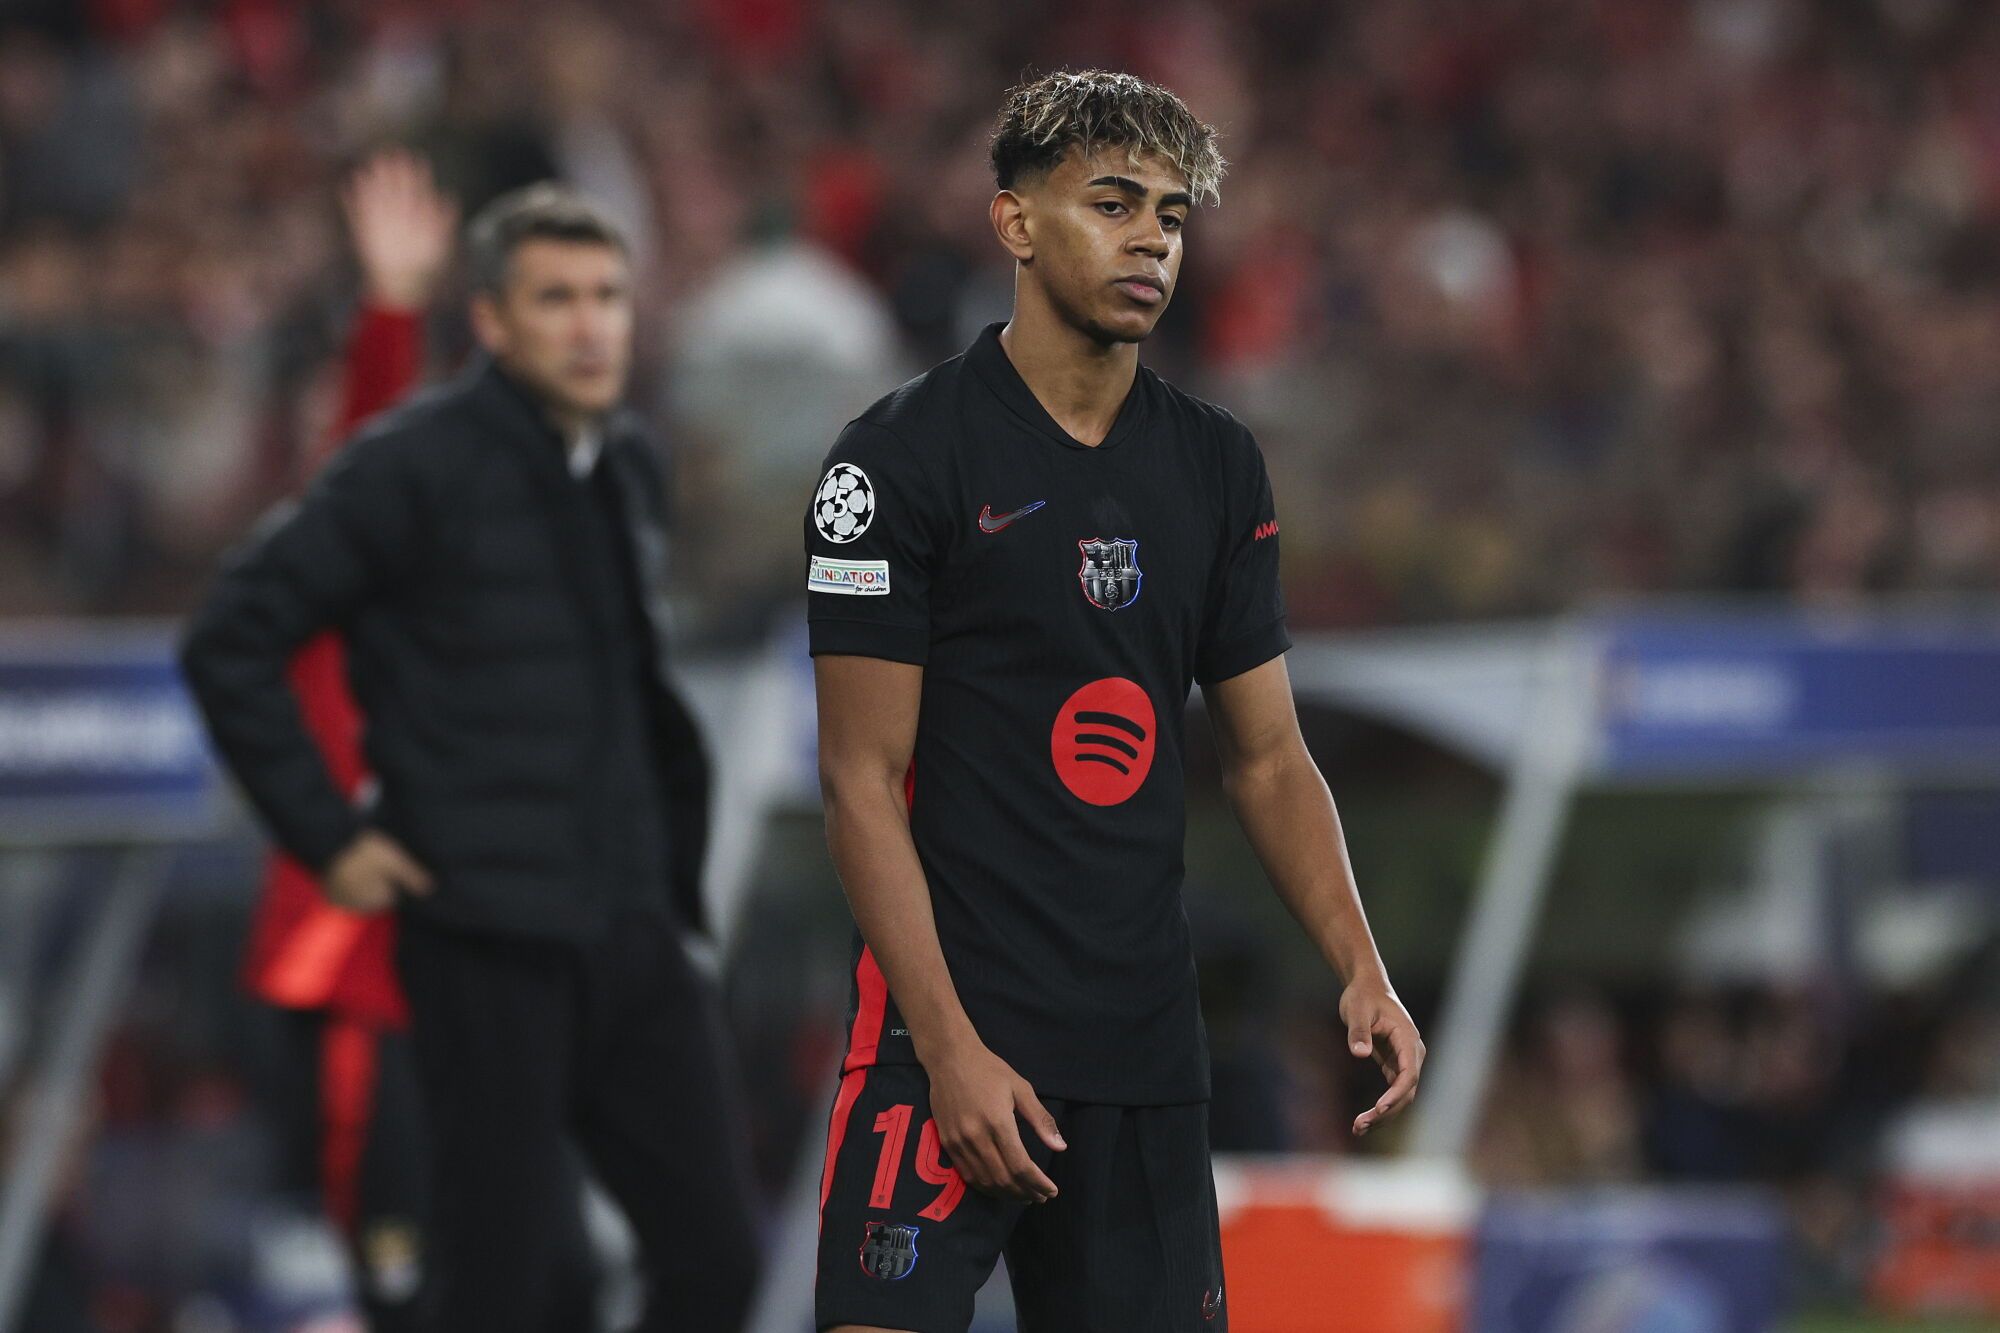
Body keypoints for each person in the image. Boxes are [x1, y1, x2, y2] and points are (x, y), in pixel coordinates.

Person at [806, 70, 1425, 1333]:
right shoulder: (894, 461)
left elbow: (1265, 758)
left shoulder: (1213, 464)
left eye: (1172, 213)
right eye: (1111, 202)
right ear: (1015, 222)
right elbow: (858, 781)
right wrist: (950, 1052)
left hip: (1142, 1063)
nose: (1151, 236)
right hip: (943, 1051)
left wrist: (1359, 963)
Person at [181, 183, 759, 1332]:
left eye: (608, 297)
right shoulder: (411, 466)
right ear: (490, 322)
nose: (592, 324)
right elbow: (229, 635)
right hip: (485, 939)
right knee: (503, 1289)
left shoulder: (630, 467)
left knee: (719, 1262)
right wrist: (330, 837)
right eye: (557, 300)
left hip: (633, 929)